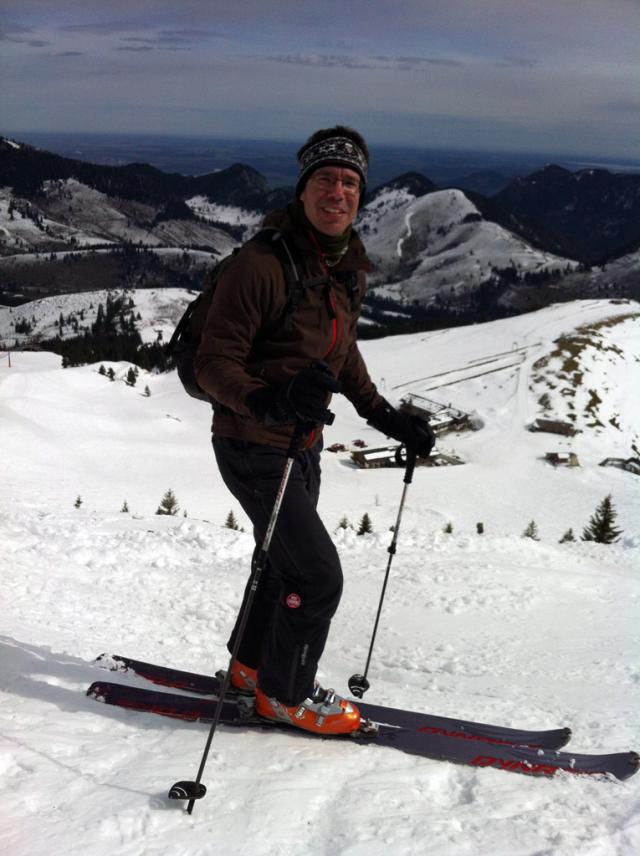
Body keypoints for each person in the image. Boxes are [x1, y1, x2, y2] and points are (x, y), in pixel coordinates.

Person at [194, 126, 434, 735]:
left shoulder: (346, 269)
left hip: (301, 446)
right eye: (325, 178)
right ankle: (285, 693)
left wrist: (387, 417)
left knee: (281, 565)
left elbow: (342, 353)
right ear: (302, 190)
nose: (337, 191)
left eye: (350, 182)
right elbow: (214, 364)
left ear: (361, 195)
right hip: (251, 442)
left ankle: (250, 669)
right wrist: (269, 400)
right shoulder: (261, 264)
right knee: (317, 576)